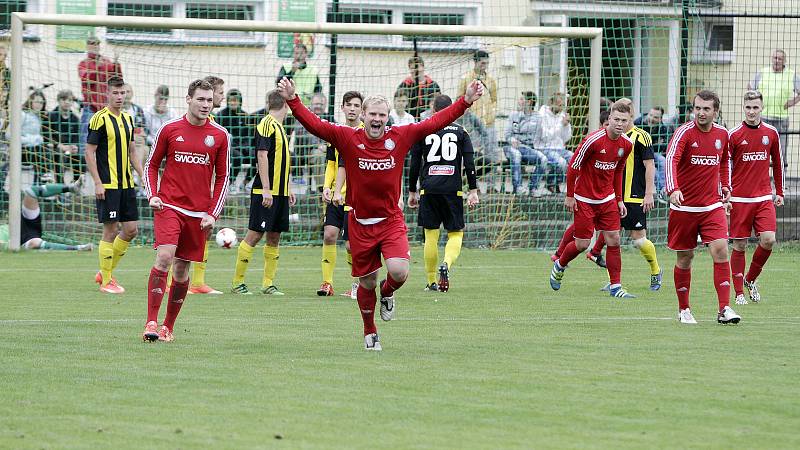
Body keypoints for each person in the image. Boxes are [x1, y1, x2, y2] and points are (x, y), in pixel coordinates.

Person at [278, 76, 484, 351]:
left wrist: (466, 101)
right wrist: (293, 99)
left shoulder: (399, 136)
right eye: (372, 114)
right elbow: (315, 124)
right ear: (363, 116)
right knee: (367, 281)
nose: (377, 119)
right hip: (360, 223)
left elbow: (434, 122)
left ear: (388, 118)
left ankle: (387, 295)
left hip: (390, 222)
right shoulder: (347, 137)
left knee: (398, 272)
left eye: (382, 115)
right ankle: (370, 331)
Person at [141, 79, 230, 342]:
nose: (206, 104)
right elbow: (151, 165)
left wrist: (212, 213)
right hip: (168, 206)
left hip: (198, 214)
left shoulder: (220, 136)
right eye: (200, 99)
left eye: (209, 100)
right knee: (165, 257)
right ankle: (151, 322)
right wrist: (153, 195)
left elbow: (223, 177)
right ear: (188, 99)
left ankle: (168, 326)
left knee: (181, 270)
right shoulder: (169, 130)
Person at [548, 101, 636, 299]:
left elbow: (618, 171)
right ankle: (560, 264)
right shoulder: (593, 140)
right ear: (609, 120)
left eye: (624, 120)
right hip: (584, 198)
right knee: (582, 244)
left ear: (629, 121)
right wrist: (570, 196)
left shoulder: (627, 145)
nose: (619, 124)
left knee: (614, 239)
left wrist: (619, 199)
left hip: (608, 199)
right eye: (616, 120)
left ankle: (616, 286)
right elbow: (573, 167)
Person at [666, 90, 740, 325]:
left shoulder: (722, 135)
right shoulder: (684, 133)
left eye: (706, 109)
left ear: (715, 112)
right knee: (685, 258)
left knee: (721, 250)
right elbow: (671, 160)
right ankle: (684, 309)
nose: (700, 112)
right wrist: (673, 189)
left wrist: (726, 185)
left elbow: (724, 161)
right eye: (697, 108)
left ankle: (724, 309)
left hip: (712, 206)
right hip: (685, 208)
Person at [585, 99, 663, 291]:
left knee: (638, 240)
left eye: (625, 116)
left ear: (631, 115)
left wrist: (649, 193)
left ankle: (655, 270)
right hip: (611, 195)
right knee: (612, 237)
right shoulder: (607, 136)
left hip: (634, 195)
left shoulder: (641, 137)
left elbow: (649, 165)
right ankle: (614, 281)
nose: (620, 121)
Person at [408, 94, 479, 292]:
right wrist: (472, 190)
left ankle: (431, 281)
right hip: (452, 189)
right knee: (455, 233)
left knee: (430, 235)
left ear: (433, 109)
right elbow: (470, 163)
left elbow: (414, 164)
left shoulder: (423, 130)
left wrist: (412, 191)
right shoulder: (461, 132)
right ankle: (446, 264)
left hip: (428, 188)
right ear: (452, 111)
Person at [231, 90, 296, 295]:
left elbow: (282, 161)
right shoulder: (266, 124)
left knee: (274, 236)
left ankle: (268, 284)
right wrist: (266, 189)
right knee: (255, 234)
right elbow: (262, 156)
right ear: (286, 105)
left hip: (281, 192)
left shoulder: (280, 127)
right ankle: (237, 282)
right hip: (265, 191)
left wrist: (289, 187)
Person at [85, 76, 143, 294]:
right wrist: (98, 182)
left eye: (123, 93)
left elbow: (132, 151)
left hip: (127, 183)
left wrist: (143, 176)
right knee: (110, 230)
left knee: (131, 230)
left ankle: (105, 271)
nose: (120, 97)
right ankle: (107, 281)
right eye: (116, 93)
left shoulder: (128, 119)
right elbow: (89, 152)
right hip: (108, 184)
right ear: (107, 94)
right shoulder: (99, 119)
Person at [728, 90, 784, 305]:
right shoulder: (733, 134)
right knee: (739, 246)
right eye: (748, 107)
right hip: (740, 199)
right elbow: (724, 166)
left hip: (763, 198)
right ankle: (738, 293)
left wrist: (779, 191)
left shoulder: (771, 133)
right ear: (744, 108)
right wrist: (726, 193)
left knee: (769, 240)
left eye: (755, 107)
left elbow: (778, 164)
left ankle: (750, 280)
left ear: (762, 108)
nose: (751, 111)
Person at [318, 91, 363, 297]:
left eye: (356, 105)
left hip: (355, 196)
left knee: (351, 245)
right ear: (342, 108)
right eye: (349, 105)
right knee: (329, 235)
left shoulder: (366, 133)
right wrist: (326, 186)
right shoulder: (335, 133)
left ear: (362, 110)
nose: (352, 109)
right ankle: (327, 283)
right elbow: (331, 163)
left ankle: (357, 285)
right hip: (336, 194)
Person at [0, 181, 92, 251]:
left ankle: (71, 187)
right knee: (34, 243)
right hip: (24, 238)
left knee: (31, 191)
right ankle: (78, 248)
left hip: (21, 223)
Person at [748, 49, 800, 168]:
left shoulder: (791, 75)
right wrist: (756, 103)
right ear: (772, 59)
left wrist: (792, 102)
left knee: (781, 153)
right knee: (761, 151)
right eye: (775, 58)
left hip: (782, 120)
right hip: (764, 119)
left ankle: (782, 184)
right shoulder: (762, 72)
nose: (777, 61)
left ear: (784, 61)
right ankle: (761, 181)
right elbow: (750, 87)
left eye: (780, 58)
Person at [78, 36, 122, 154]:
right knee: (86, 139)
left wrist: (116, 63)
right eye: (92, 44)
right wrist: (99, 66)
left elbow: (117, 78)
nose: (94, 46)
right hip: (90, 107)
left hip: (105, 108)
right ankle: (83, 168)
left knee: (106, 140)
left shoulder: (106, 62)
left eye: (96, 44)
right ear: (87, 46)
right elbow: (87, 78)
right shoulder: (83, 64)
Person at [504, 91, 548, 196]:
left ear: (529, 102)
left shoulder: (538, 117)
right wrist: (512, 140)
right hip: (512, 147)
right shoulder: (513, 115)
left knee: (543, 159)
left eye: (522, 99)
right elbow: (507, 134)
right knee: (516, 154)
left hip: (527, 148)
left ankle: (533, 187)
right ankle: (518, 187)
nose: (519, 101)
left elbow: (540, 137)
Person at [458, 50, 498, 160]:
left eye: (487, 63)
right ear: (475, 63)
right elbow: (459, 99)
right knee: (475, 156)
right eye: (482, 63)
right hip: (474, 125)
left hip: (489, 124)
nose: (485, 66)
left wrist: (493, 112)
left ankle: (490, 177)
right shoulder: (466, 79)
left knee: (491, 156)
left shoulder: (491, 80)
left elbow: (494, 99)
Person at [535, 92, 573, 192]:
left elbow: (566, 138)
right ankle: (551, 182)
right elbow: (545, 137)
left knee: (574, 159)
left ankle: (553, 181)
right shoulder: (542, 115)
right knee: (561, 162)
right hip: (544, 147)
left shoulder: (562, 115)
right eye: (559, 105)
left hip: (559, 148)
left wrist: (566, 125)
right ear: (551, 103)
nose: (561, 108)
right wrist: (561, 125)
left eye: (562, 105)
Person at [217, 88, 252, 193]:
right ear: (227, 101)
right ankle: (230, 183)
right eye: (231, 100)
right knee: (238, 157)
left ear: (240, 101)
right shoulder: (221, 115)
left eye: (235, 100)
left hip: (241, 146)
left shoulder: (244, 115)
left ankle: (246, 183)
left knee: (256, 155)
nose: (233, 102)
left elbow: (248, 136)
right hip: (228, 146)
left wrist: (245, 145)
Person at [293, 92, 328, 189]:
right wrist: (318, 145)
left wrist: (327, 146)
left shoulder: (328, 117)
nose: (318, 106)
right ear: (311, 104)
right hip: (305, 151)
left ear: (325, 106)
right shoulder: (303, 115)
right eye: (316, 104)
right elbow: (301, 134)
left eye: (321, 104)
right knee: (319, 156)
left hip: (325, 150)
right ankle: (323, 189)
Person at [45, 89, 81, 185]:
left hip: (69, 147)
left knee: (79, 156)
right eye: (64, 99)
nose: (67, 102)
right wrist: (59, 145)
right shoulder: (51, 116)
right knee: (61, 155)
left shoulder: (75, 118)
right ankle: (60, 185)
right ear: (59, 100)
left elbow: (76, 137)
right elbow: (47, 135)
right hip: (55, 147)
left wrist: (74, 146)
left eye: (70, 100)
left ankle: (77, 183)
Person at [634, 106, 671, 192]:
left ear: (660, 119)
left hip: (654, 153)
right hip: (640, 155)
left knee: (663, 161)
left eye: (655, 117)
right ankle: (659, 191)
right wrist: (654, 144)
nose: (651, 118)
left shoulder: (662, 128)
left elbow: (664, 146)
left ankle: (664, 189)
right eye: (650, 115)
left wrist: (654, 145)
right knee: (653, 169)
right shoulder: (638, 123)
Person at [398, 56, 441, 121]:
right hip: (409, 121)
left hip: (428, 121)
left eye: (417, 67)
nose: (415, 70)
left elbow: (438, 106)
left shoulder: (433, 85)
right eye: (412, 68)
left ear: (423, 67)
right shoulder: (404, 85)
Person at [20, 91, 48, 182]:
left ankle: (41, 183)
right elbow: (9, 136)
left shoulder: (41, 117)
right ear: (30, 102)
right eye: (36, 102)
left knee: (51, 151)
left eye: (41, 102)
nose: (38, 105)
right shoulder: (23, 115)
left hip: (36, 149)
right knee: (42, 151)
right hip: (22, 150)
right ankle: (41, 181)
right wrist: (34, 139)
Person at [143, 84, 176, 149]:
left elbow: (173, 133)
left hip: (167, 145)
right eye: (161, 99)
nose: (163, 102)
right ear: (155, 96)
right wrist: (155, 143)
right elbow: (145, 134)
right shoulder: (146, 112)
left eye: (165, 99)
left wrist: (164, 113)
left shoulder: (172, 112)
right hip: (150, 144)